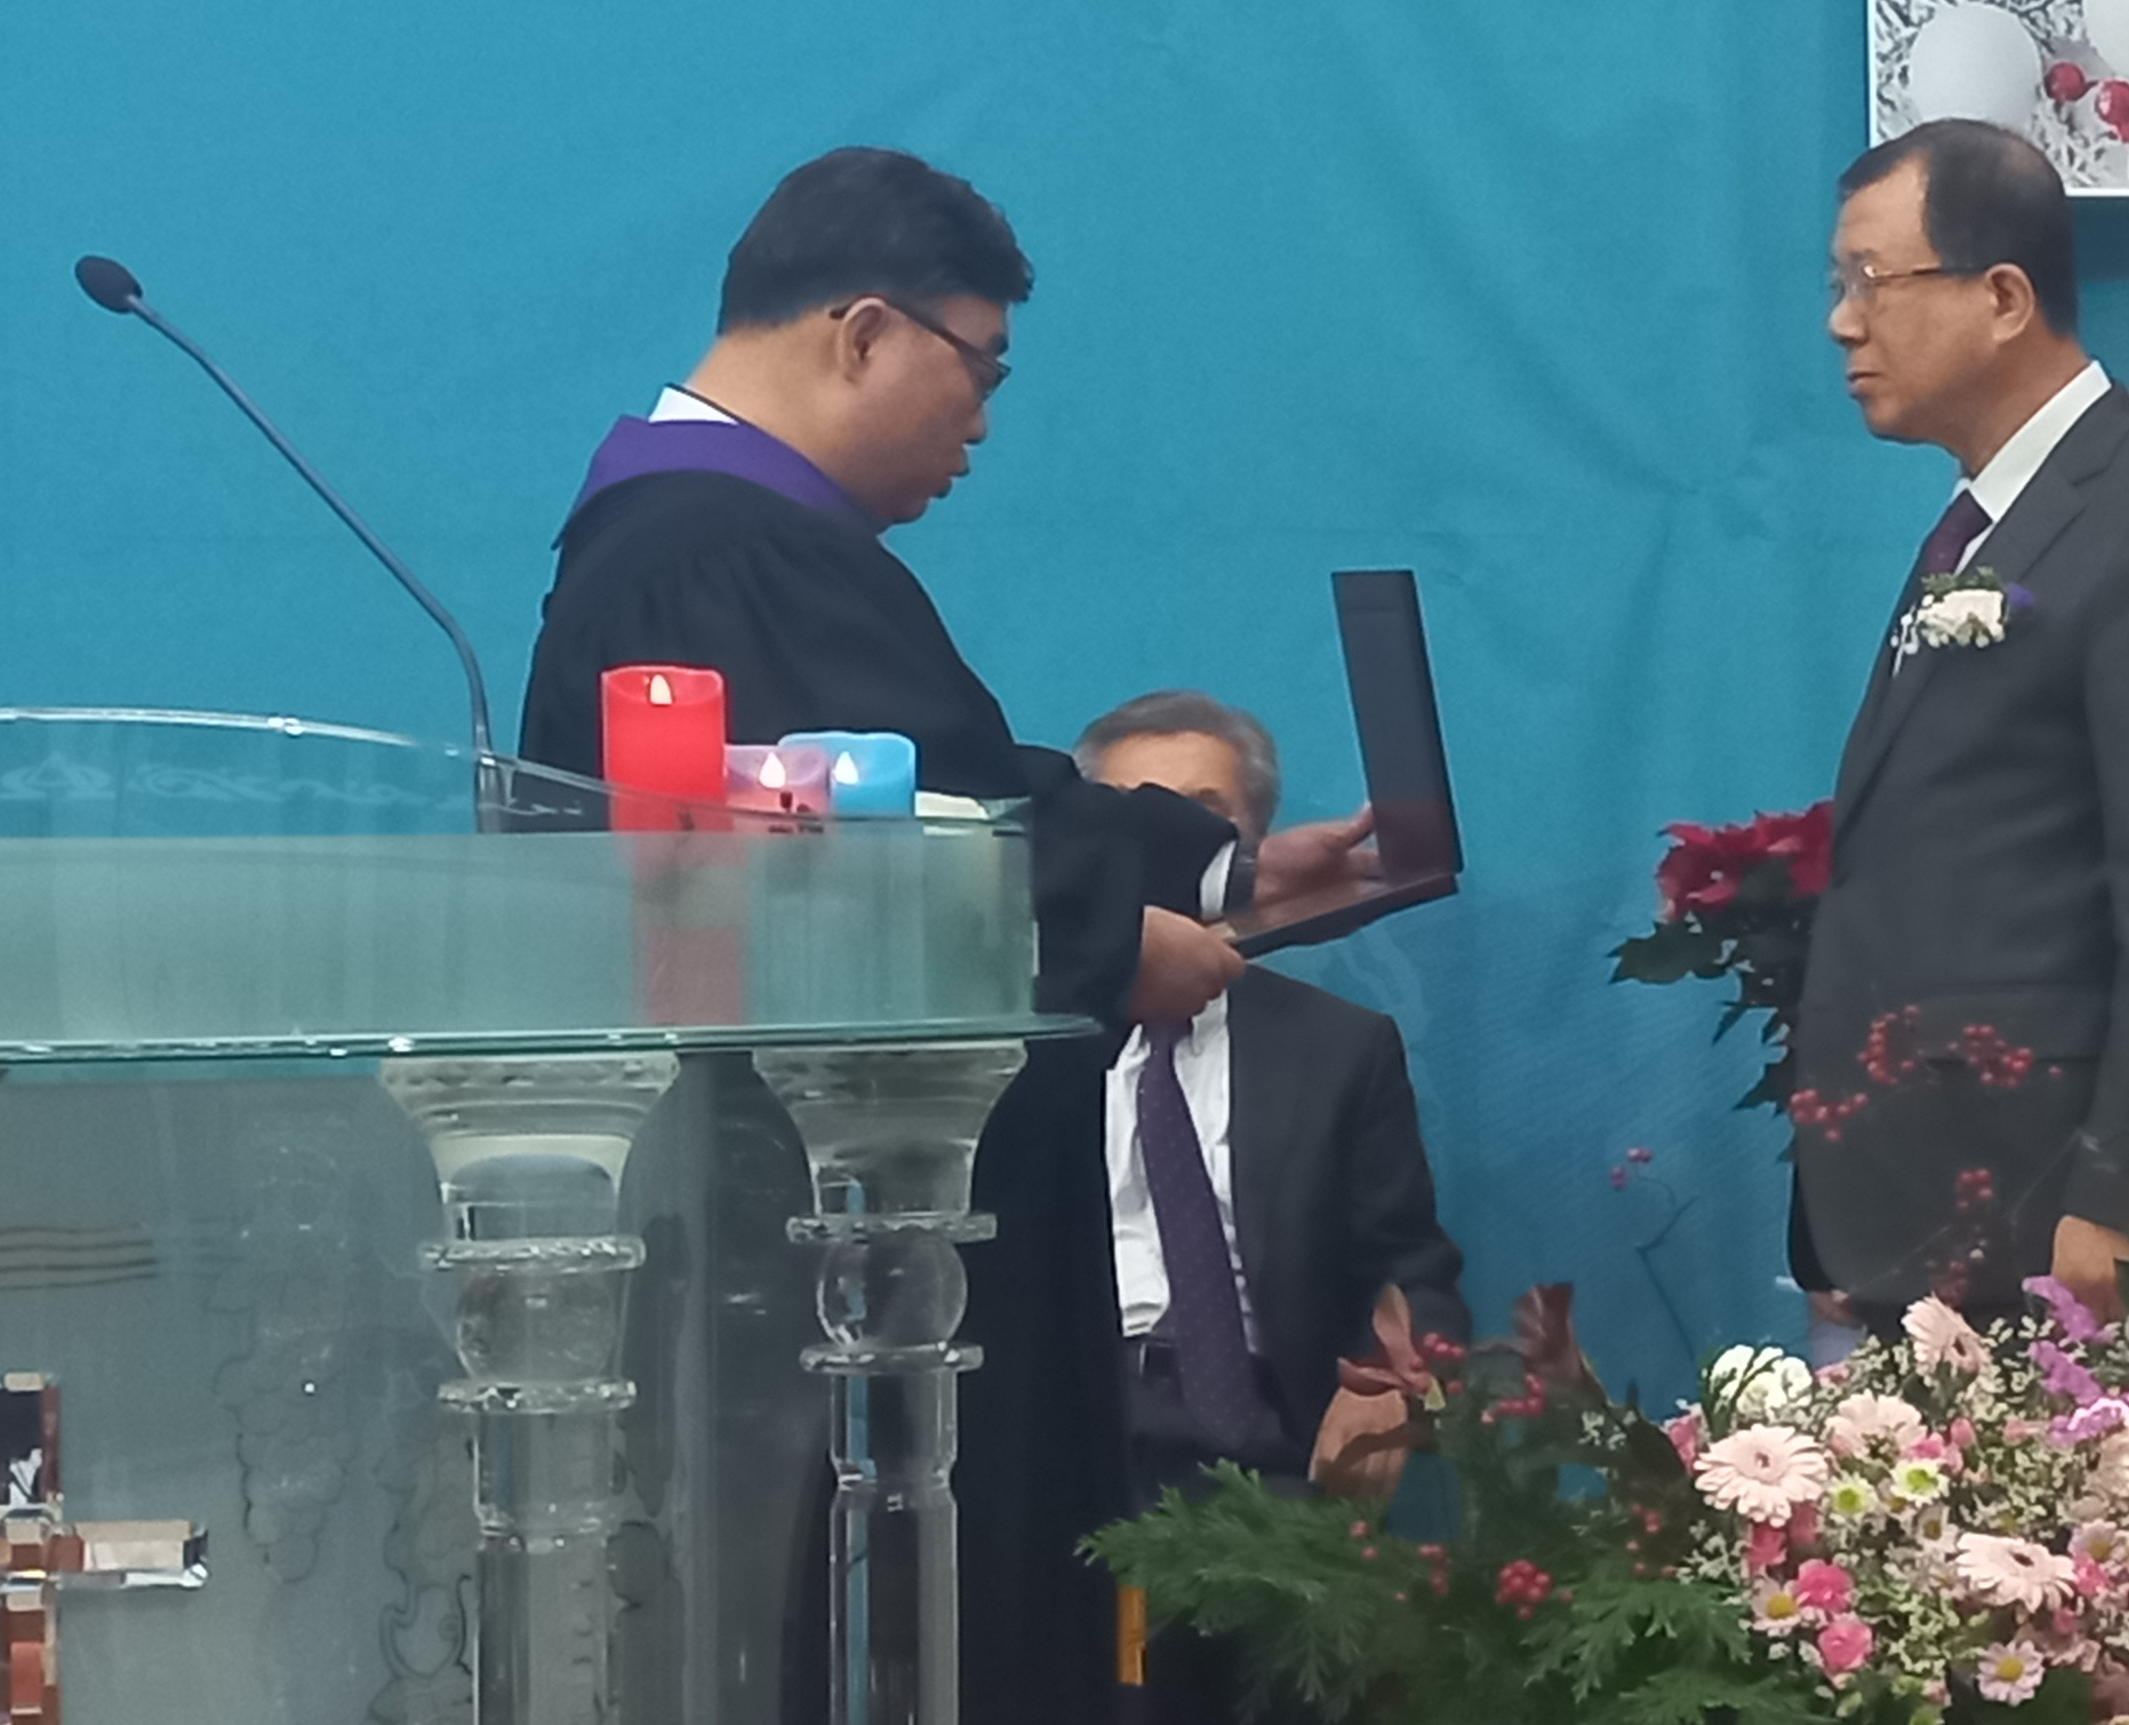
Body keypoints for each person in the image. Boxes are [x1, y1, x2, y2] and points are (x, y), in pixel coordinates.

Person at [516, 148, 1361, 1725]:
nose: (983, 421)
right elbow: (859, 872)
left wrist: (1217, 869)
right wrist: (1124, 944)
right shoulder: (716, 552)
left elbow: (938, 791)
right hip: (828, 1260)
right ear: (863, 331)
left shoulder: (698, 546)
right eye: (981, 368)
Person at [1790, 118, 2129, 1329]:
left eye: (1872, 280)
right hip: (1911, 1199)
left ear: (2004, 297)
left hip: (2041, 1205)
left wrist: (2123, 1189)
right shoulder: (1984, 524)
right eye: (1837, 284)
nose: (1843, 322)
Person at [1074, 690, 1467, 1725]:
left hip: (1266, 1446)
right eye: (1137, 817)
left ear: (1254, 848)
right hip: (1068, 1427)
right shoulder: (1021, 1039)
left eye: (1202, 819)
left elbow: (1412, 1267)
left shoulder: (1341, 1047)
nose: (1168, 848)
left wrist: (1394, 1377)